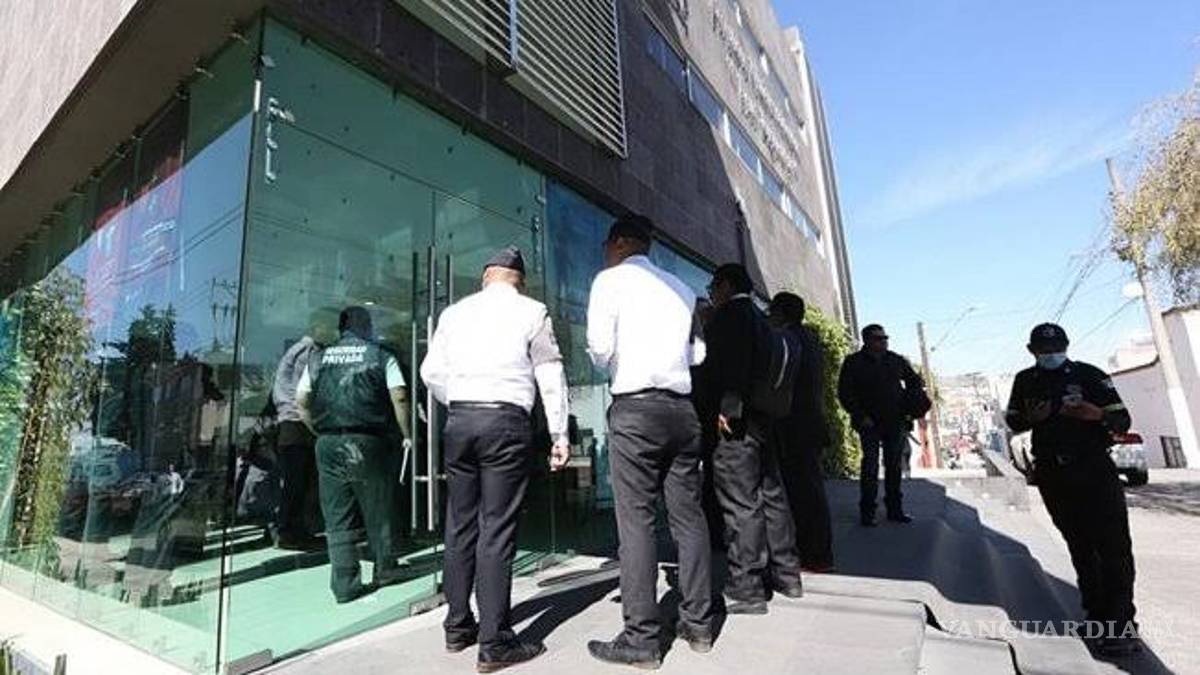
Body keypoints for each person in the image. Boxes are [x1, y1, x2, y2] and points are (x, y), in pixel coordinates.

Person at [420, 246, 570, 672]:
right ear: (519, 280)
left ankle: (457, 626)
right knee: (497, 529)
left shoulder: (454, 313)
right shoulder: (533, 311)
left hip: (460, 419)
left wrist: (460, 400)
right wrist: (558, 433)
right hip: (505, 421)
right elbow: (550, 372)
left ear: (486, 276)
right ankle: (495, 642)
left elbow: (431, 372)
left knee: (460, 523)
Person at [585, 215, 714, 669]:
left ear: (620, 243)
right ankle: (698, 623)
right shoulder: (682, 290)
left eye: (607, 245)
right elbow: (698, 354)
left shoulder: (609, 281)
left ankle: (641, 639)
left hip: (636, 409)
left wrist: (619, 360)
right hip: (681, 410)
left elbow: (600, 348)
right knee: (689, 517)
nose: (605, 253)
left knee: (636, 521)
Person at [1004, 323, 1139, 656]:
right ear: (1032, 351)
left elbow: (1122, 419)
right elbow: (1014, 420)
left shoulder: (1090, 375)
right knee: (1080, 546)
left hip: (1093, 468)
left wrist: (1095, 414)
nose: (1051, 354)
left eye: (1057, 348)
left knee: (1113, 547)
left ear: (1066, 346)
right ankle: (1096, 616)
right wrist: (1034, 418)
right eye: (1044, 350)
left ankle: (1121, 625)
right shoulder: (1026, 380)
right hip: (1053, 473)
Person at [703, 263, 803, 615]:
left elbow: (733, 365)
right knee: (771, 496)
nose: (712, 295)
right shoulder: (763, 319)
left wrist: (728, 409)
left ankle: (746, 588)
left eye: (713, 287)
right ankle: (787, 574)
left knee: (740, 502)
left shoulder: (731, 316)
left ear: (726, 285)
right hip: (764, 420)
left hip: (736, 422)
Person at [296, 306, 411, 603]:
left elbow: (301, 401)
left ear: (341, 327)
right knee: (378, 508)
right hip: (368, 440)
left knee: (337, 514)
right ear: (365, 326)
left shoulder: (318, 358)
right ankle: (385, 567)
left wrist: (318, 431)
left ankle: (345, 584)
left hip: (328, 442)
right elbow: (399, 396)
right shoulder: (381, 355)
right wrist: (408, 433)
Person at [766, 292, 834, 571]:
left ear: (780, 314)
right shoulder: (810, 339)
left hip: (793, 426)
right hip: (810, 423)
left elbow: (777, 381)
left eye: (771, 313)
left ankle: (813, 555)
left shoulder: (787, 340)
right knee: (810, 490)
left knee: (801, 493)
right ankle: (817, 553)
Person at [837, 323, 923, 526]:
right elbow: (845, 393)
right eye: (879, 338)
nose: (883, 342)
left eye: (885, 338)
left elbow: (914, 381)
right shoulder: (854, 362)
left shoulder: (895, 360)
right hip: (869, 423)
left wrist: (909, 405)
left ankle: (895, 509)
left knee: (894, 466)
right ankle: (868, 512)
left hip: (895, 420)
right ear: (867, 340)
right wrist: (860, 415)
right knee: (870, 466)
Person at [271, 308, 337, 550]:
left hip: (294, 423)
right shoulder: (307, 351)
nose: (331, 332)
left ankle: (295, 529)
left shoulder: (301, 350)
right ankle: (290, 532)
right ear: (316, 326)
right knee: (297, 481)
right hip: (297, 423)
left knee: (299, 480)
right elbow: (305, 391)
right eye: (328, 326)